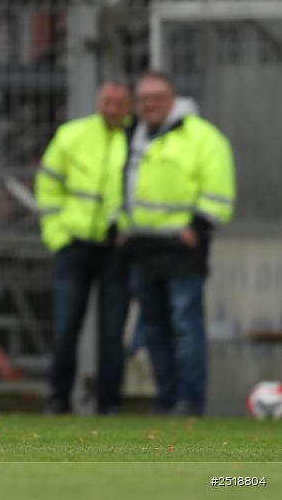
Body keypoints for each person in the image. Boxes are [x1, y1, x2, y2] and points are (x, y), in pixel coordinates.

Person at [120, 71, 235, 416]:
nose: (149, 104)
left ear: (173, 98)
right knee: (154, 329)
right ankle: (167, 399)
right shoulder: (135, 135)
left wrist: (198, 227)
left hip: (183, 246)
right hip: (143, 246)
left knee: (186, 326)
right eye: (143, 99)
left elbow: (219, 188)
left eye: (156, 97)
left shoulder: (202, 136)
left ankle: (189, 401)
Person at [35, 80, 132, 414]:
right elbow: (47, 183)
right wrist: (57, 236)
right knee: (65, 327)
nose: (112, 108)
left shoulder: (137, 140)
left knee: (112, 331)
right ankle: (58, 397)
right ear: (98, 101)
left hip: (116, 248)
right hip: (74, 244)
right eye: (107, 101)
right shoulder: (72, 135)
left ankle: (109, 403)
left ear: (128, 106)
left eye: (119, 103)